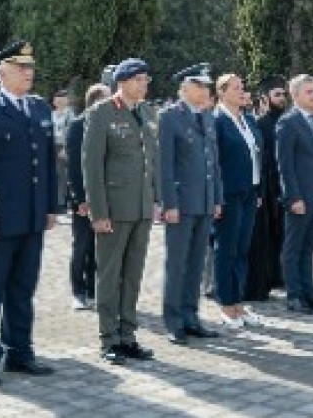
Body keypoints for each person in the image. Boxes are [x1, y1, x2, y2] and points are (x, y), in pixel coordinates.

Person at [0, 41, 57, 388]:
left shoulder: (39, 109)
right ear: (2, 72)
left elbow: (47, 164)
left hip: (31, 219)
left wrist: (50, 207)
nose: (28, 73)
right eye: (21, 68)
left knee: (22, 289)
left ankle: (20, 351)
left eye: (30, 68)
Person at [83, 59, 159, 366]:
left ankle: (128, 335)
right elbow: (92, 166)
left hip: (141, 208)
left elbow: (151, 162)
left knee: (133, 276)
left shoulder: (146, 112)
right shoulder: (101, 113)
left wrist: (155, 200)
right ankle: (109, 338)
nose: (144, 85)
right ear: (123, 82)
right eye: (139, 80)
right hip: (114, 210)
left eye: (146, 79)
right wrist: (98, 212)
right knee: (110, 275)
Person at [158, 64, 224, 345]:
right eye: (200, 85)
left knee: (196, 264)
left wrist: (217, 198)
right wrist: (168, 203)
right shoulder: (170, 117)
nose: (205, 90)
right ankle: (173, 321)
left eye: (207, 86)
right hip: (181, 204)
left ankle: (191, 316)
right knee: (177, 264)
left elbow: (214, 164)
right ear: (184, 88)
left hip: (205, 202)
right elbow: (165, 165)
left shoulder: (207, 117)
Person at [276, 74, 313, 314]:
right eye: (309, 92)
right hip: (300, 196)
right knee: (293, 247)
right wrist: (293, 197)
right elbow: (285, 165)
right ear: (296, 95)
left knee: (309, 247)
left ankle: (310, 292)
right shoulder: (287, 123)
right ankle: (294, 295)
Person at [213, 73, 264, 328]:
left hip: (249, 192)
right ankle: (226, 305)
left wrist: (259, 191)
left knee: (243, 249)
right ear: (222, 93)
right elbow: (214, 163)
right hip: (228, 195)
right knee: (226, 249)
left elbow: (258, 157)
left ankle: (239, 302)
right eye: (236, 88)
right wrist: (216, 198)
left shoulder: (248, 120)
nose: (242, 91)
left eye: (242, 87)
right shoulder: (217, 120)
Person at [64, 83, 111, 313]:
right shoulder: (77, 125)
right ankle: (78, 291)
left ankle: (95, 289)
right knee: (81, 245)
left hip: (105, 196)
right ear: (94, 101)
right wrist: (80, 198)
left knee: (99, 247)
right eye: (106, 99)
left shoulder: (107, 124)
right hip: (83, 199)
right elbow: (73, 167)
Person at [244, 77, 288, 302]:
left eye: (283, 94)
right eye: (277, 95)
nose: (281, 99)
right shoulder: (260, 125)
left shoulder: (288, 121)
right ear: (265, 98)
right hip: (267, 189)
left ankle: (282, 275)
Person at [51, 90, 74, 216]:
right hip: (52, 147)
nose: (59, 101)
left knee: (63, 175)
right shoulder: (51, 114)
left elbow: (71, 133)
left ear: (67, 101)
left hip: (63, 147)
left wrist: (66, 148)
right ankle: (56, 201)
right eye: (57, 99)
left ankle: (62, 203)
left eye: (62, 99)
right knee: (54, 174)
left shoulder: (70, 115)